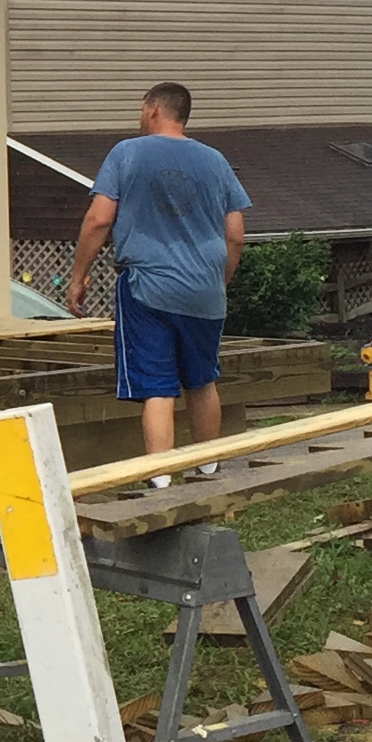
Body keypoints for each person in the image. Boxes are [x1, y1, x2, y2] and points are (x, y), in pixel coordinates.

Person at [63, 81, 249, 474]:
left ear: (152, 109)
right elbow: (235, 234)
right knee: (201, 380)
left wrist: (78, 277)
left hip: (147, 288)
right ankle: (209, 468)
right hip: (204, 291)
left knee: (158, 386)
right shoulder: (216, 161)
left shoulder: (127, 153)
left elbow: (98, 220)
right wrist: (219, 281)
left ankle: (160, 479)